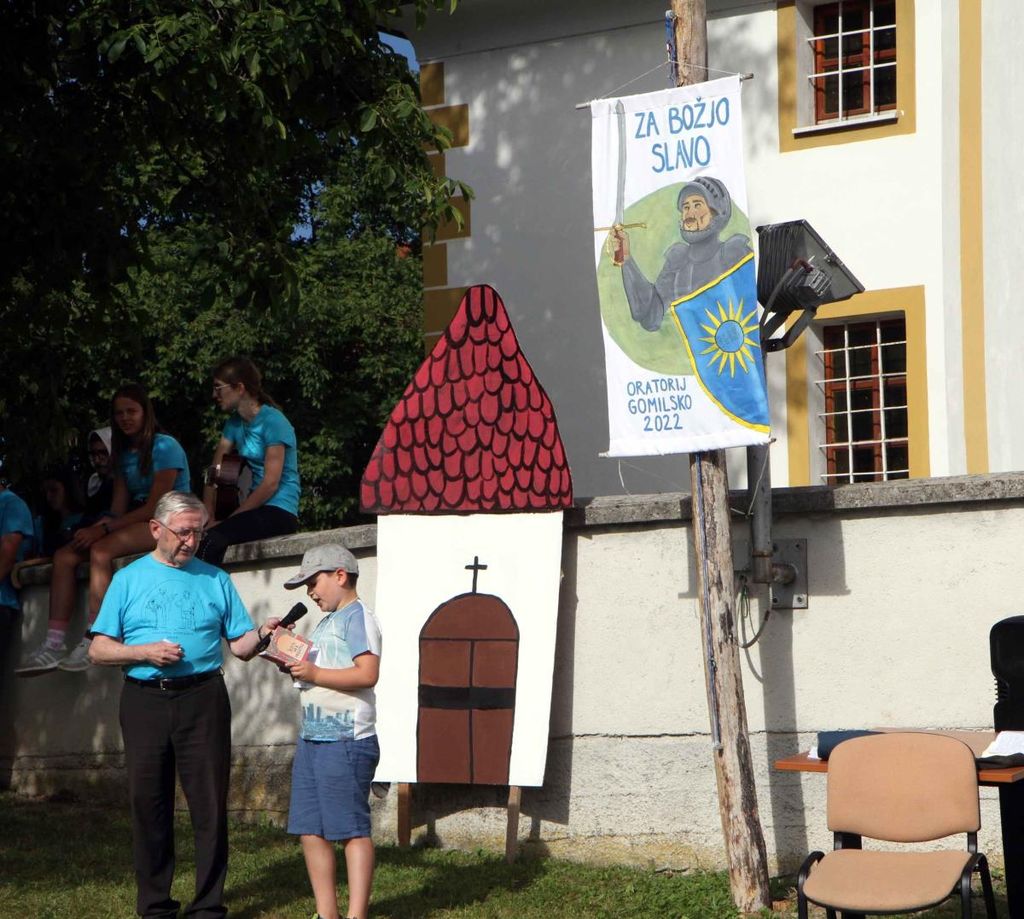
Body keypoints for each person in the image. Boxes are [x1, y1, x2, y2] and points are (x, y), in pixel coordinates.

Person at [88, 491, 285, 919]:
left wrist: (263, 634)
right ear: (155, 529)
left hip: (203, 698)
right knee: (149, 803)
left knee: (210, 804)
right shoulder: (127, 579)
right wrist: (144, 652)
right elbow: (99, 649)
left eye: (198, 533)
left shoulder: (215, 579)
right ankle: (155, 906)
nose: (191, 541)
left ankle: (208, 907)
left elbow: (241, 647)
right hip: (144, 699)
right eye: (182, 532)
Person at [16, 384, 190, 675]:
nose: (125, 418)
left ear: (145, 412)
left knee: (101, 551)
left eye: (131, 411)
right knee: (65, 555)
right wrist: (94, 527)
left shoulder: (165, 446)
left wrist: (104, 530)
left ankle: (96, 634)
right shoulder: (123, 454)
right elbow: (118, 508)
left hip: (169, 520)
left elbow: (154, 508)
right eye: (119, 413)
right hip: (136, 521)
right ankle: (54, 643)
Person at [280, 544, 382, 919]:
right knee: (310, 829)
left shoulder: (358, 618)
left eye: (313, 582)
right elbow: (311, 671)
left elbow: (367, 673)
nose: (310, 592)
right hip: (312, 738)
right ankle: (328, 914)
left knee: (351, 830)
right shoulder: (326, 622)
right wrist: (283, 648)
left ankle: (356, 915)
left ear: (340, 575)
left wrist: (315, 673)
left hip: (346, 741)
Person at [611, 175, 753, 331]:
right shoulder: (677, 261)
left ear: (716, 213)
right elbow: (651, 317)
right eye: (686, 207)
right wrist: (626, 259)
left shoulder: (733, 254)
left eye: (697, 205)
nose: (689, 213)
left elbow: (751, 306)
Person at [197, 357, 300, 568]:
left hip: (279, 511)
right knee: (199, 538)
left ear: (240, 388)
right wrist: (208, 511)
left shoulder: (273, 422)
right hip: (255, 510)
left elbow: (270, 484)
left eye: (218, 388)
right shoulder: (234, 423)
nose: (214, 395)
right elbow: (215, 470)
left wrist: (232, 519)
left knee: (210, 542)